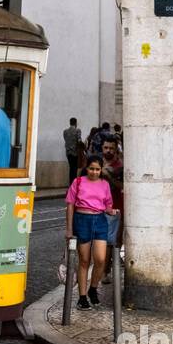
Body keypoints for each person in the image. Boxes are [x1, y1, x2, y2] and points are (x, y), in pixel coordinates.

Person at [65, 155, 118, 309]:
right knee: (84, 260)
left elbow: (107, 205)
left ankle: (93, 289)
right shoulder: (78, 182)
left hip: (100, 220)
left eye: (97, 169)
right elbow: (70, 206)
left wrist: (112, 211)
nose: (94, 172)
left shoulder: (105, 184)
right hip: (82, 220)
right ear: (86, 168)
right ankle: (82, 297)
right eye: (91, 168)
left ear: (101, 170)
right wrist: (69, 229)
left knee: (101, 259)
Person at [99, 135, 125, 249]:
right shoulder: (96, 164)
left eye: (111, 148)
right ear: (102, 148)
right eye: (106, 147)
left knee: (114, 242)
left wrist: (108, 177)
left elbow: (123, 186)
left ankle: (113, 265)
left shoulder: (120, 166)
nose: (108, 150)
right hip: (98, 207)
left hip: (116, 205)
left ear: (116, 149)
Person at [63, 117, 84, 184]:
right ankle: (73, 184)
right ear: (76, 123)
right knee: (74, 169)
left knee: (71, 168)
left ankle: (71, 183)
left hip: (68, 152)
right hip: (75, 152)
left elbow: (66, 140)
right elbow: (79, 140)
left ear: (70, 123)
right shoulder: (78, 130)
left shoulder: (65, 131)